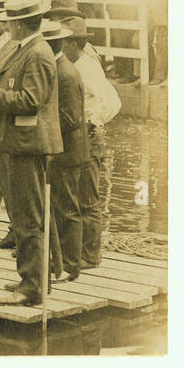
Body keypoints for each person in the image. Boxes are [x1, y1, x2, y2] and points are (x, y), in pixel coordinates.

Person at [0, 0, 63, 306]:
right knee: (25, 215)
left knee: (27, 216)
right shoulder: (27, 48)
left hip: (26, 145)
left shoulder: (36, 52)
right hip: (17, 143)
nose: (7, 28)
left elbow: (30, 101)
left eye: (10, 23)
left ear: (20, 25)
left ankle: (32, 287)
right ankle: (33, 279)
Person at [59, 15, 119, 269]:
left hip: (89, 138)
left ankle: (91, 254)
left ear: (73, 44)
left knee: (87, 197)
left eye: (63, 43)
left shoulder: (88, 67)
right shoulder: (71, 65)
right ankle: (76, 250)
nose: (60, 48)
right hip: (75, 138)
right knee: (75, 195)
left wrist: (93, 122)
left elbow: (113, 102)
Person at [43, 21, 87, 282]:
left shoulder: (65, 74)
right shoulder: (60, 69)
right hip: (62, 150)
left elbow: (70, 119)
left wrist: (43, 123)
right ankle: (61, 262)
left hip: (67, 153)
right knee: (60, 206)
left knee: (68, 208)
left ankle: (70, 265)